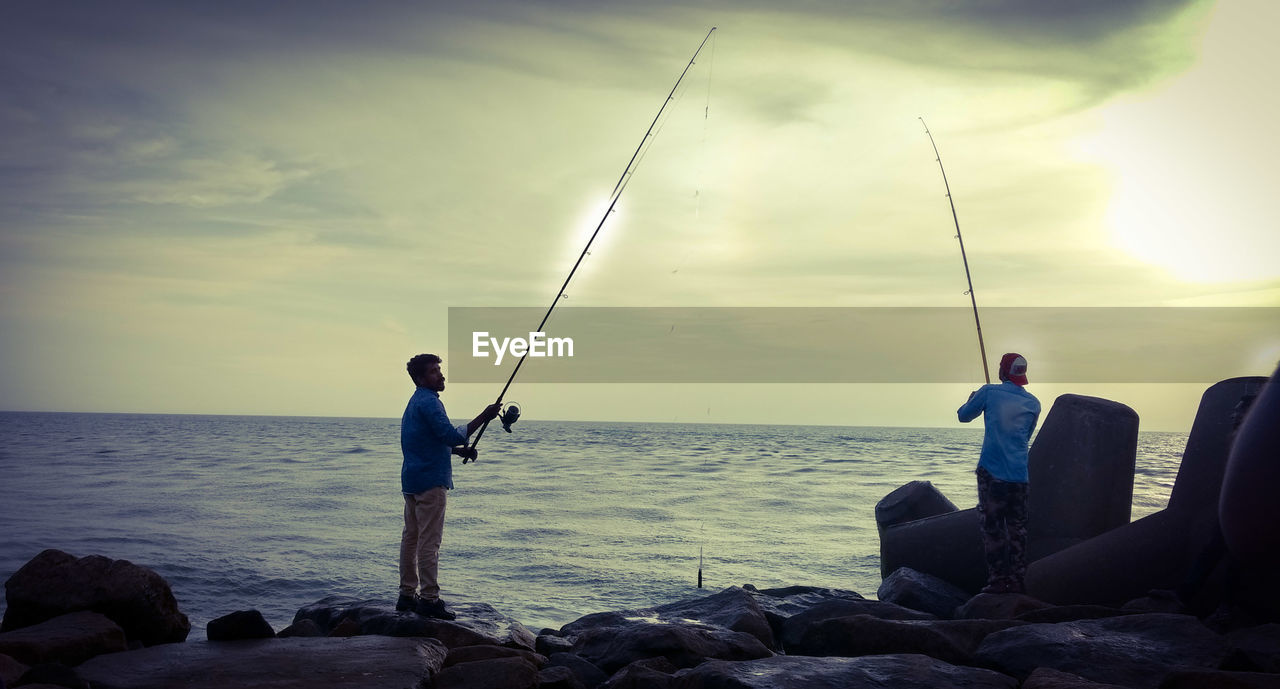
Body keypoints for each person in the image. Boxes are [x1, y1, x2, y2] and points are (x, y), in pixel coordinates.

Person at [398, 353, 500, 619]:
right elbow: (450, 434)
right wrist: (485, 416)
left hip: (412, 479)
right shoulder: (430, 403)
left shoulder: (414, 403)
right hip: (431, 482)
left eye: (439, 370)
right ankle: (430, 599)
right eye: (434, 371)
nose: (441, 375)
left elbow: (426, 442)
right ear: (420, 378)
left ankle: (407, 595)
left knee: (411, 539)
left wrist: (457, 452)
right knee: (429, 542)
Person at [957, 352, 1041, 594]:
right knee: (1018, 529)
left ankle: (997, 581)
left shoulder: (989, 392)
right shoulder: (1034, 403)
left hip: (992, 472)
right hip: (1020, 476)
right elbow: (1025, 436)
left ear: (1003, 371)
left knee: (992, 527)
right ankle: (1016, 581)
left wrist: (972, 398)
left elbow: (963, 416)